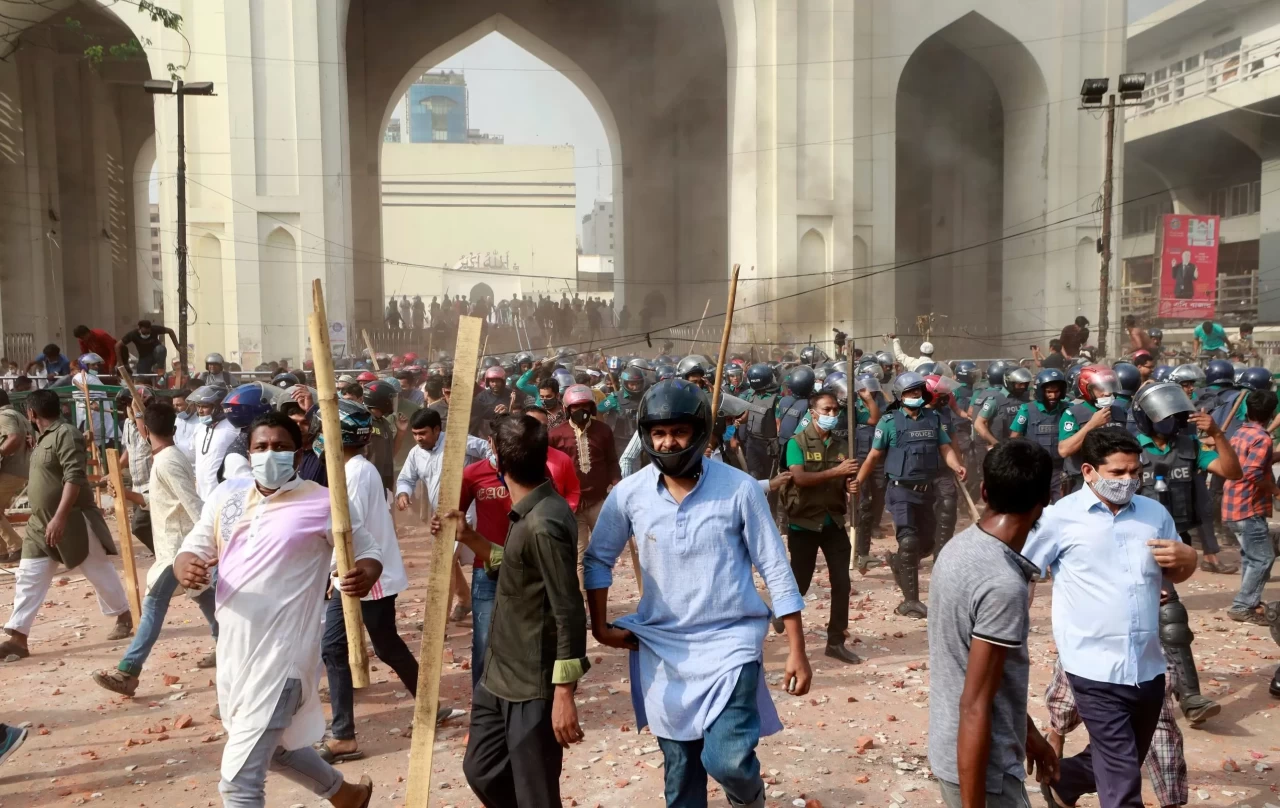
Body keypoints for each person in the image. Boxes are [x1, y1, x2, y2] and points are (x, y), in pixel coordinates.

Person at [583, 379, 812, 808]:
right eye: (658, 433)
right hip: (662, 649)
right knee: (681, 776)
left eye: (679, 432)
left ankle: (749, 799)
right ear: (647, 436)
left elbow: (775, 567)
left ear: (699, 432)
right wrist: (599, 627)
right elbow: (597, 559)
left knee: (727, 761)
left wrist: (797, 648)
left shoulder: (740, 488)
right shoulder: (630, 495)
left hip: (732, 644)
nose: (668, 442)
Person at [173, 412, 377, 808]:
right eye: (261, 447)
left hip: (284, 656)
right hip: (235, 653)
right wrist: (186, 566)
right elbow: (194, 546)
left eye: (280, 447)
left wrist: (364, 573)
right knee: (277, 748)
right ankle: (347, 796)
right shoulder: (225, 497)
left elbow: (367, 551)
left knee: (239, 782)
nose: (270, 454)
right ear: (248, 453)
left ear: (299, 454)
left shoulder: (324, 502)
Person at [1023, 429, 1199, 808]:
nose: (1128, 481)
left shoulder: (1155, 514)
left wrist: (1190, 561)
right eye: (1118, 473)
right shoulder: (1058, 519)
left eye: (1135, 472)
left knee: (1125, 757)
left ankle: (1065, 780)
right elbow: (1023, 573)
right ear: (1089, 471)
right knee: (1122, 785)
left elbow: (1174, 576)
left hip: (1147, 667)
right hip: (1091, 667)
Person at [431, 414, 587, 808]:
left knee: (536, 793)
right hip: (498, 676)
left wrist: (564, 692)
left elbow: (568, 609)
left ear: (496, 457)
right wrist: (469, 537)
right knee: (481, 769)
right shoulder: (527, 514)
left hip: (531, 685)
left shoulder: (545, 522)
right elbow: (513, 563)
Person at [928, 440, 1058, 808]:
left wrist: (1028, 733)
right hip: (985, 772)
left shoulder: (960, 547)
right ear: (1045, 500)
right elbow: (974, 704)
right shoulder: (1002, 584)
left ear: (984, 491)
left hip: (957, 751)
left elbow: (986, 676)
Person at [318, 399, 426, 762]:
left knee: (344, 647)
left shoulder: (354, 473)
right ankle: (427, 706)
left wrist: (333, 572)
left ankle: (344, 733)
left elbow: (350, 531)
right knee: (378, 645)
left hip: (362, 575)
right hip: (363, 573)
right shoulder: (356, 469)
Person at [91, 403, 217, 696]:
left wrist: (207, 543)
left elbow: (194, 506)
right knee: (209, 602)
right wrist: (126, 493)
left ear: (144, 431)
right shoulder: (165, 459)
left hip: (178, 552)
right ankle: (229, 647)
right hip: (175, 550)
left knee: (152, 608)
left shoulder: (168, 461)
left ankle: (128, 671)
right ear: (173, 429)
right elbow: (160, 500)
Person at [1131, 381, 1238, 725]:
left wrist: (1219, 434)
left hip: (1173, 545)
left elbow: (1232, 472)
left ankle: (1189, 696)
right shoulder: (1129, 448)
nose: (1169, 421)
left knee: (1169, 618)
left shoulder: (1189, 446)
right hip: (1132, 543)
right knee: (1148, 619)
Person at [0, 390, 133, 659]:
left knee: (96, 569)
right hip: (40, 523)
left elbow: (74, 477)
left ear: (31, 414)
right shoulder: (41, 439)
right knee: (29, 576)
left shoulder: (66, 434)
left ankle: (124, 615)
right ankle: (18, 637)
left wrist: (60, 517)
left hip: (72, 519)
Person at [854, 371, 968, 618]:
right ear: (900, 396)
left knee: (926, 543)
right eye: (910, 392)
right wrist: (857, 482)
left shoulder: (933, 419)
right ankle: (911, 601)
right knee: (908, 540)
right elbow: (874, 456)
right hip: (900, 490)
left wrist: (955, 464)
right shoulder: (889, 422)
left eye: (918, 391)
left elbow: (945, 446)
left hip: (927, 491)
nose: (915, 396)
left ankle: (898, 562)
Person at [779, 388, 861, 664]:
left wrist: (851, 484)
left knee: (842, 582)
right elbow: (799, 479)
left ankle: (835, 640)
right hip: (804, 523)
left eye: (835, 410)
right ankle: (782, 612)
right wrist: (837, 472)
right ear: (813, 413)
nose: (832, 415)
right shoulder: (797, 443)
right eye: (826, 410)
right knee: (800, 582)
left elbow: (846, 480)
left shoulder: (841, 446)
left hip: (833, 522)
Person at [548, 385, 620, 586]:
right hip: (572, 505)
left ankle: (600, 597)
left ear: (592, 407)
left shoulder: (603, 431)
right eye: (575, 407)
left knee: (601, 554)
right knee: (579, 557)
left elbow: (612, 461)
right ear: (567, 409)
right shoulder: (555, 435)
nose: (581, 411)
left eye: (585, 406)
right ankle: (583, 603)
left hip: (598, 501)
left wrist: (617, 484)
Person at [1222, 389, 1279, 624]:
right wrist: (1275, 490)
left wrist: (1275, 456)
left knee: (1251, 557)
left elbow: (1250, 461)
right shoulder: (1262, 439)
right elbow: (1252, 472)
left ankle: (1250, 602)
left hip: (1233, 504)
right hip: (1249, 507)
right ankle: (1243, 605)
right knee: (1263, 558)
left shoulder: (1241, 433)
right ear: (1272, 413)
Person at [1058, 365, 1129, 494]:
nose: (1107, 393)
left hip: (1116, 479)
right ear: (1087, 389)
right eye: (1100, 388)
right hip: (1084, 481)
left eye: (1109, 387)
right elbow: (1064, 450)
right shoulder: (1072, 413)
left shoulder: (1120, 412)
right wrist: (1092, 425)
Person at [1010, 369, 1070, 502]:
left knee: (1061, 504)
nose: (1053, 396)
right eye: (1049, 392)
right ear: (1041, 391)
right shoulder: (1027, 410)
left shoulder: (1068, 410)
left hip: (1058, 468)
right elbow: (1014, 438)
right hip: (1034, 468)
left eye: (1056, 392)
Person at [187, 384, 239, 500]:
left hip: (224, 495)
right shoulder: (199, 428)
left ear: (218, 407)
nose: (200, 410)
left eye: (204, 406)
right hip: (201, 495)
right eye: (198, 406)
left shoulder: (233, 427)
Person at [0, 390, 32, 565]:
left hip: (10, 470)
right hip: (20, 470)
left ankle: (16, 546)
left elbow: (14, 438)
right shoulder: (18, 415)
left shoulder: (4, 416)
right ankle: (2, 552)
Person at [974, 367, 1032, 448]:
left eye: (1025, 384)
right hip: (1001, 449)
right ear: (1009, 383)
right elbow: (978, 423)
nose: (1023, 387)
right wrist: (995, 443)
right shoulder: (994, 401)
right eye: (1019, 384)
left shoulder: (1027, 400)